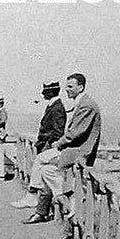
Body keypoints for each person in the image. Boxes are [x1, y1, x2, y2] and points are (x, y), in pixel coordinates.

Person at [41, 73, 103, 225]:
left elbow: (75, 132)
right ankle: (66, 200)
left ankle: (61, 197)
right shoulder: (82, 102)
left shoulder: (87, 105)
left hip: (80, 151)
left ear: (80, 87)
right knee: (47, 167)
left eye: (70, 86)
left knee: (45, 166)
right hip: (77, 149)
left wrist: (59, 143)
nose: (66, 90)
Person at [14, 81, 68, 218]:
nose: (43, 94)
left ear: (51, 92)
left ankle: (38, 207)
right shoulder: (53, 106)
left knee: (43, 174)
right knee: (42, 175)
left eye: (45, 92)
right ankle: (41, 209)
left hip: (48, 145)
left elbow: (58, 132)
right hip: (45, 144)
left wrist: (47, 143)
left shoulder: (56, 107)